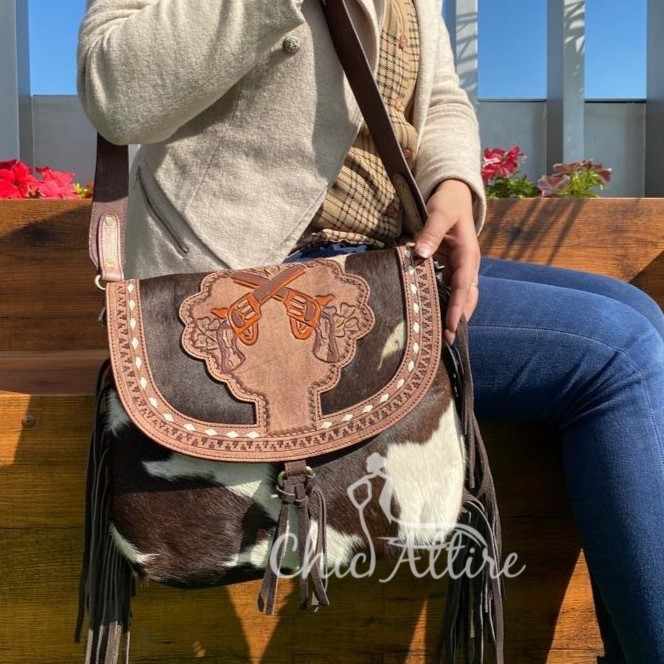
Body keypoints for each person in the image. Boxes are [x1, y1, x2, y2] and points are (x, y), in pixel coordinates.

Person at [77, 0, 664, 661]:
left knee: (636, 314)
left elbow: (438, 95)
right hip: (246, 281)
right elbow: (112, 91)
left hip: (384, 260)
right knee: (621, 352)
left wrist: (452, 185)